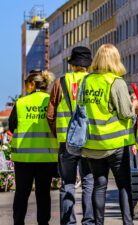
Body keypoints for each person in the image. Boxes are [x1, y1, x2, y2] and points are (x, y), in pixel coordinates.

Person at [81, 44, 136, 225]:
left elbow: (81, 109)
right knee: (123, 186)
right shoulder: (116, 81)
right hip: (115, 144)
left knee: (99, 185)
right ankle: (127, 223)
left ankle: (98, 223)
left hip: (92, 143)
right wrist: (135, 104)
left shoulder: (87, 81)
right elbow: (126, 113)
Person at [47, 46, 95, 225]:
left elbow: (51, 114)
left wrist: (59, 133)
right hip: (89, 141)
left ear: (72, 65)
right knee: (89, 181)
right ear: (88, 65)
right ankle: (89, 221)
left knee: (67, 183)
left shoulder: (60, 82)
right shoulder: (93, 82)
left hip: (66, 142)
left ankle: (68, 222)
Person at [9, 69, 58, 225]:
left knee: (21, 193)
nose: (24, 87)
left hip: (23, 157)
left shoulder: (21, 103)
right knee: (43, 194)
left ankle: (18, 222)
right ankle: (43, 223)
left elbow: (12, 125)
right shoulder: (50, 101)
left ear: (32, 84)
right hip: (46, 157)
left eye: (26, 84)